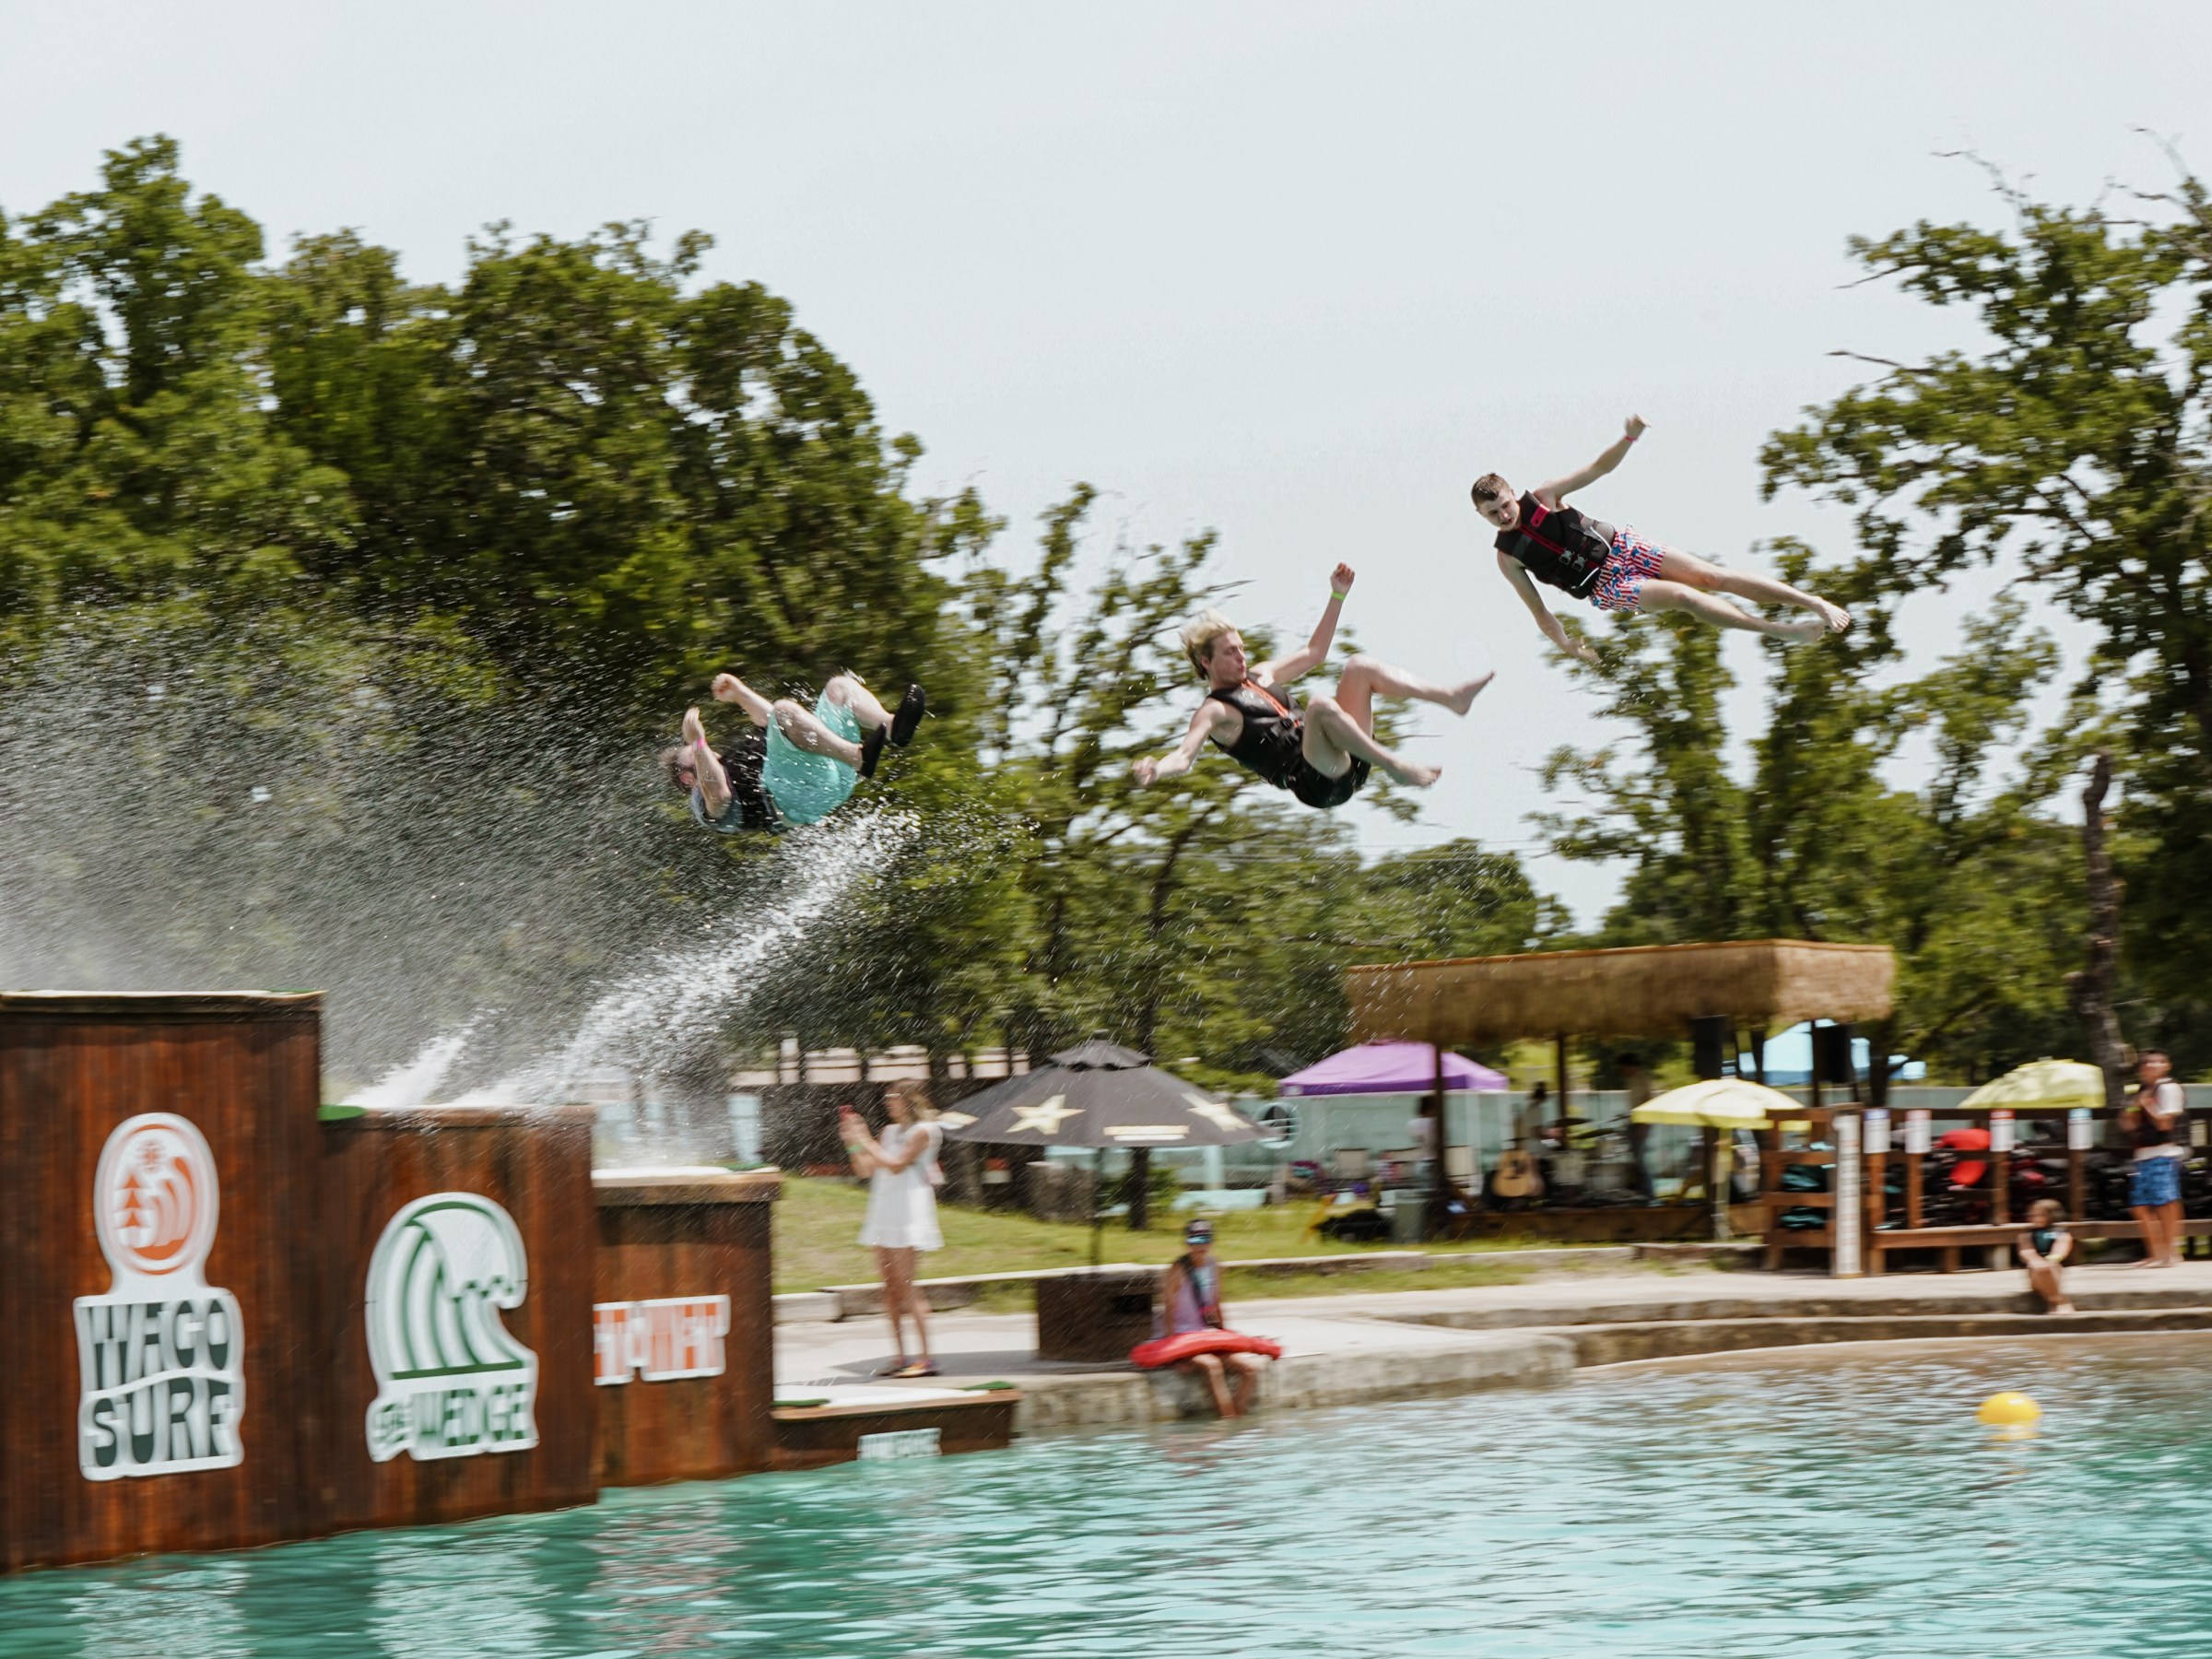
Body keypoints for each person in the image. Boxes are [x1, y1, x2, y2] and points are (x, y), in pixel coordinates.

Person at [1471, 416, 1853, 662]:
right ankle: (1778, 631)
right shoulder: (1508, 558)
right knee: (1684, 597)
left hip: (1623, 545)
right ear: (1481, 516)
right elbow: (1539, 612)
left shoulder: (1545, 496)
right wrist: (1566, 644)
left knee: (1711, 578)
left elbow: (1599, 468)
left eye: (1504, 505)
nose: (1504, 516)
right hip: (1606, 587)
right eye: (1493, 514)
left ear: (1510, 492)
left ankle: (1812, 602)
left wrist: (1628, 438)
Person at [1132, 563, 1491, 807]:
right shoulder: (1214, 711)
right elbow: (1183, 756)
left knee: (1358, 667)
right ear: (1206, 662)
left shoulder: (1261, 674)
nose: (1242, 657)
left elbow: (1315, 652)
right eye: (1230, 653)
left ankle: (1452, 698)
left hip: (1349, 757)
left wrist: (1337, 596)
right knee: (1319, 704)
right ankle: (1396, 767)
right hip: (1317, 782)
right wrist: (1156, 769)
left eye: (1242, 648)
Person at [663, 670, 925, 835]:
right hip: (794, 798)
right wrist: (697, 743)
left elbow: (771, 720)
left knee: (838, 688)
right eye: (697, 755)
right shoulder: (701, 799)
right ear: (688, 778)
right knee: (784, 711)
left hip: (830, 773)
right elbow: (719, 797)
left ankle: (894, 728)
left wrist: (739, 693)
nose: (707, 750)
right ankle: (858, 757)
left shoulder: (733, 758)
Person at [839, 1081, 945, 1377]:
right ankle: (900, 1357)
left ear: (909, 1100)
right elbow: (865, 1169)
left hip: (908, 1213)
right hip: (884, 1212)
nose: (887, 1102)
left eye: (892, 1097)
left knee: (906, 1286)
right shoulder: (889, 1132)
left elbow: (897, 1165)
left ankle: (926, 1359)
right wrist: (852, 1141)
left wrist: (865, 1138)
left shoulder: (925, 1131)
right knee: (888, 1289)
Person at [1156, 1219, 1265, 1418]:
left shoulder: (1214, 1266)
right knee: (1212, 1366)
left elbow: (1216, 1304)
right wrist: (1174, 1354)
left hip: (1207, 1334)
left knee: (1251, 1370)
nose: (1200, 1246)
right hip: (1183, 1337)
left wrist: (1227, 1338)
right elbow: (1169, 1311)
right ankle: (1227, 1424)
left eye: (1204, 1240)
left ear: (1211, 1242)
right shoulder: (1177, 1269)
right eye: (1195, 1240)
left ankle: (1236, 1422)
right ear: (1187, 1243)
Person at [2121, 1049, 2187, 1269]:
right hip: (2142, 1154)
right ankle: (2155, 1252)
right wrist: (2135, 1107)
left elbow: (2165, 1123)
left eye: (2157, 1062)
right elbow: (2128, 1120)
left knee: (2165, 1203)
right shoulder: (2143, 1090)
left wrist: (2146, 1104)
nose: (2150, 1066)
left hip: (2163, 1152)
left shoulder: (2168, 1088)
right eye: (2147, 1063)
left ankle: (2171, 1252)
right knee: (2140, 1205)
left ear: (2167, 1066)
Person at [2017, 1197, 2077, 1315]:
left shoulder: (2061, 1233)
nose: (2034, 1218)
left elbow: (2060, 1250)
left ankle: (2056, 1302)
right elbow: (2027, 1252)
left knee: (2049, 1268)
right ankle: (2059, 1301)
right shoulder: (2027, 1235)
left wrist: (2051, 1260)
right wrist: (2037, 1261)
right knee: (2040, 1268)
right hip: (2035, 1270)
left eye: (2040, 1215)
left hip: (2054, 1267)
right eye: (2032, 1215)